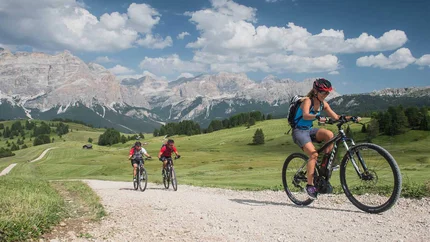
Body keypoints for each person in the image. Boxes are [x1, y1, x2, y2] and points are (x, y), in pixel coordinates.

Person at [291, 78, 360, 199]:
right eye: (323, 92)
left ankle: (325, 164)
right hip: (299, 131)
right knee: (313, 155)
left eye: (328, 93)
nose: (326, 95)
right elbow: (306, 115)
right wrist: (318, 117)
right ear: (316, 91)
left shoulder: (324, 104)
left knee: (329, 135)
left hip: (309, 130)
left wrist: (350, 118)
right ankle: (309, 186)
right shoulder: (308, 101)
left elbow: (336, 117)